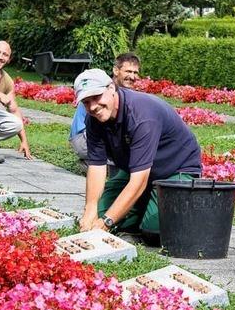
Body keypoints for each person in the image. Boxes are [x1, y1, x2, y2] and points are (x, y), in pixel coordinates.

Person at [74, 68, 201, 244]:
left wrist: (107, 223)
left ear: (111, 88)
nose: (93, 106)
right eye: (86, 102)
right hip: (136, 168)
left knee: (154, 229)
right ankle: (140, 205)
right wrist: (90, 210)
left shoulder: (141, 115)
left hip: (175, 169)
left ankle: (151, 207)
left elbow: (138, 181)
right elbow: (96, 167)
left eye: (97, 97)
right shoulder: (93, 119)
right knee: (100, 212)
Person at [69, 53, 140, 161]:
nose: (132, 76)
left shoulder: (126, 94)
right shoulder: (100, 90)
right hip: (82, 138)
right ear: (116, 70)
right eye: (128, 71)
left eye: (135, 73)